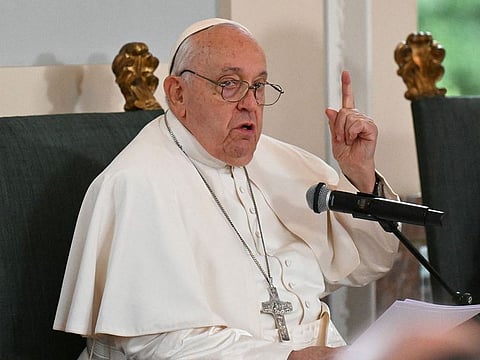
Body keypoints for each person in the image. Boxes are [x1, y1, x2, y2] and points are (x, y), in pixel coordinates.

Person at [54, 18, 400, 359]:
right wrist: (290, 358)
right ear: (178, 94)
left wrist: (361, 178)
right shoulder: (135, 184)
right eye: (229, 84)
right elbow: (157, 346)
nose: (250, 103)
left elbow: (368, 263)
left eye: (259, 86)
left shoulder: (281, 163)